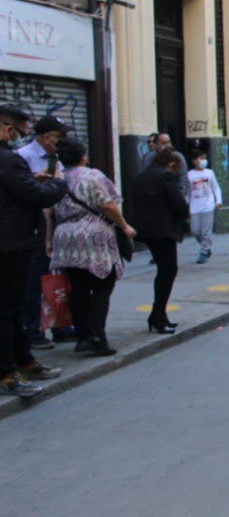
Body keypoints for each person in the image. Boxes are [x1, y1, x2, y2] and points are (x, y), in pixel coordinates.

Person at [0, 104, 66, 397]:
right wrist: (59, 186)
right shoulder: (9, 161)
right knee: (7, 309)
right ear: (6, 128)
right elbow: (35, 196)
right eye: (20, 130)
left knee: (11, 309)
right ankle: (6, 372)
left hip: (11, 242)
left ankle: (22, 359)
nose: (19, 137)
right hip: (11, 245)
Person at [49, 138, 136, 357]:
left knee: (78, 287)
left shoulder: (57, 179)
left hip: (65, 236)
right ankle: (97, 336)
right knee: (101, 285)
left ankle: (83, 336)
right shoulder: (93, 176)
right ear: (83, 156)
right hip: (93, 235)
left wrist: (49, 240)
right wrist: (124, 226)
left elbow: (48, 211)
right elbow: (108, 204)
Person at [17, 115, 73, 349]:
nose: (59, 142)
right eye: (57, 137)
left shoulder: (56, 159)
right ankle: (32, 329)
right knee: (33, 281)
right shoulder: (24, 157)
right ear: (44, 136)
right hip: (35, 227)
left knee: (57, 278)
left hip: (56, 224)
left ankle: (59, 324)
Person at [130, 149, 189, 333]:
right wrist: (184, 216)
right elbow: (178, 203)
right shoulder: (166, 177)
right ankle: (157, 315)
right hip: (163, 230)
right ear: (171, 164)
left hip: (146, 230)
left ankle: (160, 315)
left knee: (164, 270)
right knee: (168, 271)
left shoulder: (142, 176)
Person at [187, 150, 222, 264]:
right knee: (195, 230)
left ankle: (203, 252)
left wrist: (218, 201)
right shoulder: (190, 175)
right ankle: (206, 245)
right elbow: (188, 192)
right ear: (194, 161)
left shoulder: (209, 173)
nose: (202, 161)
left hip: (208, 205)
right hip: (194, 205)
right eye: (200, 158)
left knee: (206, 231)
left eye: (204, 158)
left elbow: (216, 188)